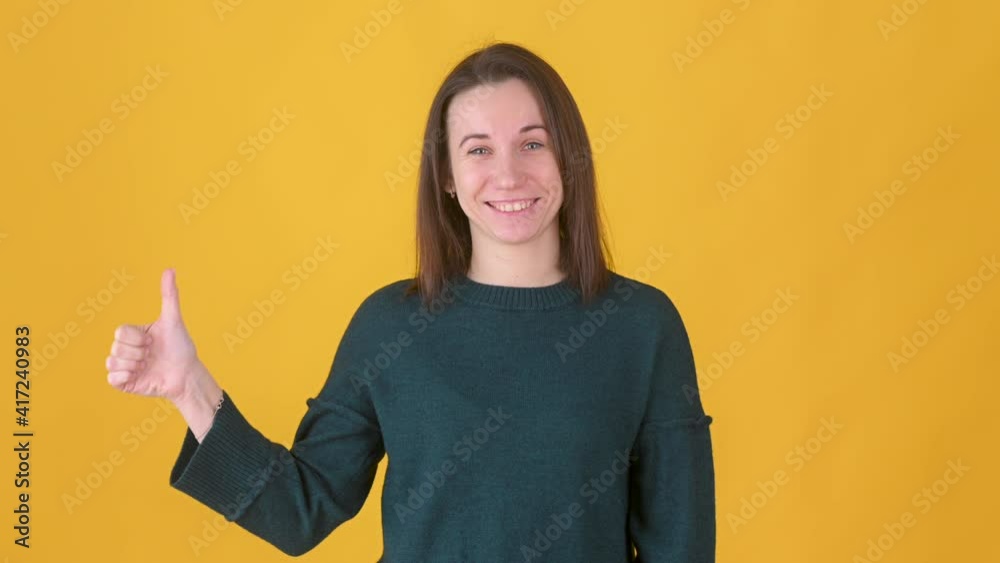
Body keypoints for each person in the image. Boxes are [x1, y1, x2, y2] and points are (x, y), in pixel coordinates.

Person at [105, 41, 716, 562]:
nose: (507, 175)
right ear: (447, 175)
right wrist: (189, 387)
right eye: (478, 149)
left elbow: (680, 546)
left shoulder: (642, 327)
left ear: (570, 157)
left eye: (533, 143)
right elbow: (301, 510)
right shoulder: (389, 327)